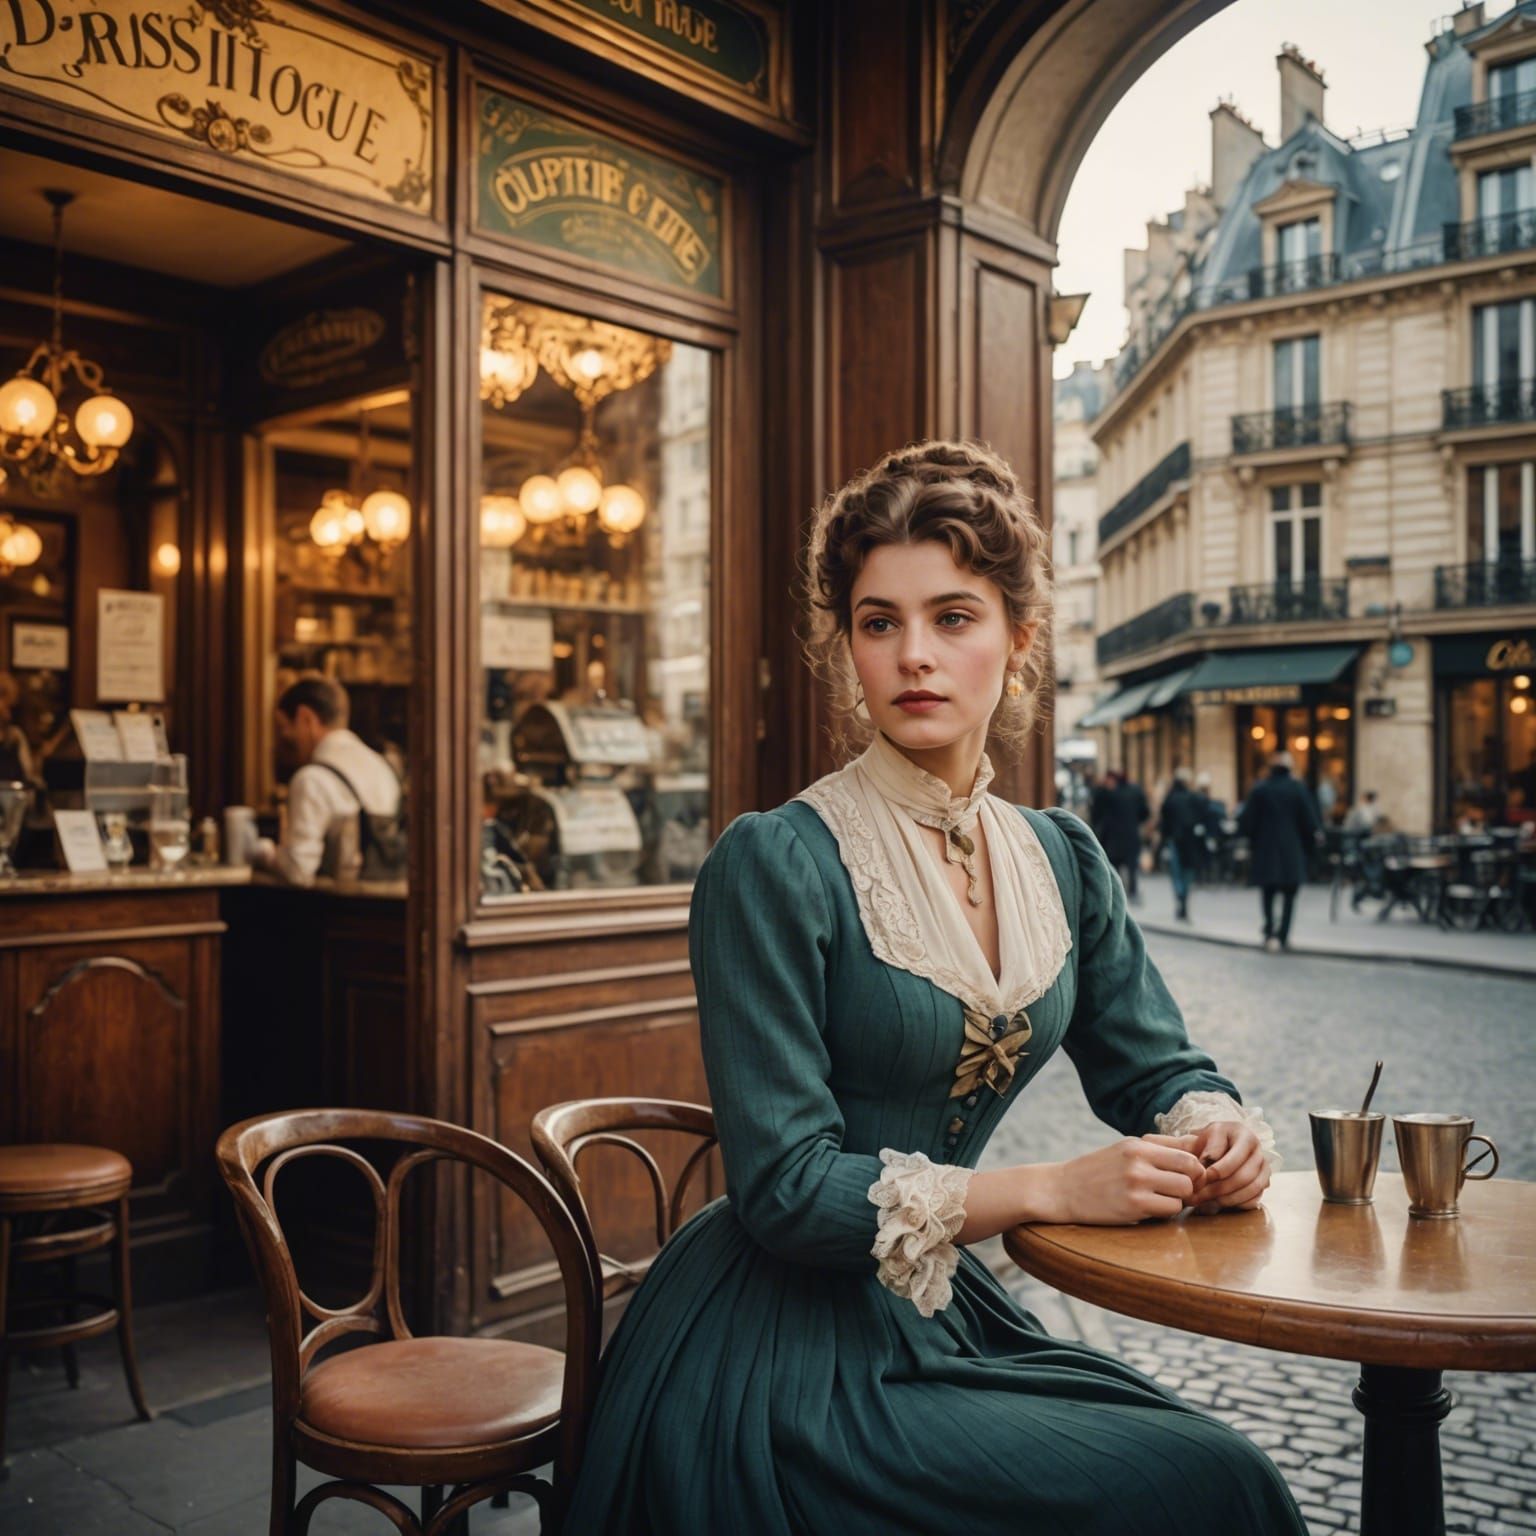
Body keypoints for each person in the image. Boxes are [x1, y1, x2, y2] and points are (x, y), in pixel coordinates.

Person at [563, 440, 1304, 1535]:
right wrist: (1052, 1188)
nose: (915, 655)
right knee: (1198, 1483)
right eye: (880, 623)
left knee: (1221, 1469)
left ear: (1018, 639)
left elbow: (1157, 1065)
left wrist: (1214, 1126)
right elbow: (787, 1191)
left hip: (939, 1316)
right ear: (848, 650)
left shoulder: (1061, 858)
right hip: (776, 1355)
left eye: (954, 617)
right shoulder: (775, 862)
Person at [250, 675, 402, 885]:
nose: (283, 738)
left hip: (339, 903)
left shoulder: (311, 780)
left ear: (306, 718)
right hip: (388, 900)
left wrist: (263, 851)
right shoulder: (382, 767)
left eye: (284, 727)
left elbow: (298, 871)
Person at [1238, 750, 1322, 953]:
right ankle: (1283, 934)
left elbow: (1247, 821)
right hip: (1291, 849)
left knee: (1268, 893)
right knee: (1289, 895)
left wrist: (1252, 840)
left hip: (1266, 848)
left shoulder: (1261, 789)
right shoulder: (1297, 789)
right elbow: (1310, 821)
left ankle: (1269, 931)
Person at [1095, 764, 1150, 902]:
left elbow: (1098, 811)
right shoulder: (1136, 791)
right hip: (1131, 834)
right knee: (1132, 866)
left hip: (1113, 837)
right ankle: (1132, 891)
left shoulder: (1109, 794)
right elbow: (1145, 813)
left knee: (1115, 867)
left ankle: (1117, 893)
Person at [1159, 765, 1204, 920]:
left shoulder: (1170, 799)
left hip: (1175, 840)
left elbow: (1164, 822)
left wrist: (1163, 840)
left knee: (1177, 872)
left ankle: (1180, 896)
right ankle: (1184, 897)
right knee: (1187, 872)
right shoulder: (1194, 798)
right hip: (1190, 840)